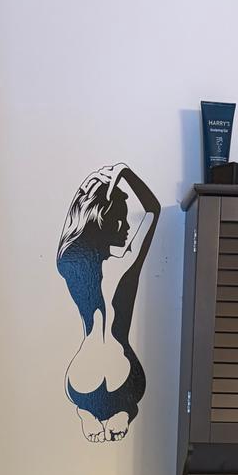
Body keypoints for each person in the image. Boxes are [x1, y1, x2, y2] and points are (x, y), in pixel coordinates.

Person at [56, 163, 159, 442]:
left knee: (89, 402)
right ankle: (123, 412)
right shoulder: (126, 264)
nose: (127, 227)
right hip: (123, 374)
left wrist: (88, 187)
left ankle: (85, 411)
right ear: (104, 223)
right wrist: (124, 172)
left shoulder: (71, 263)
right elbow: (153, 210)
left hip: (80, 379)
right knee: (130, 398)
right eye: (121, 221)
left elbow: (72, 225)